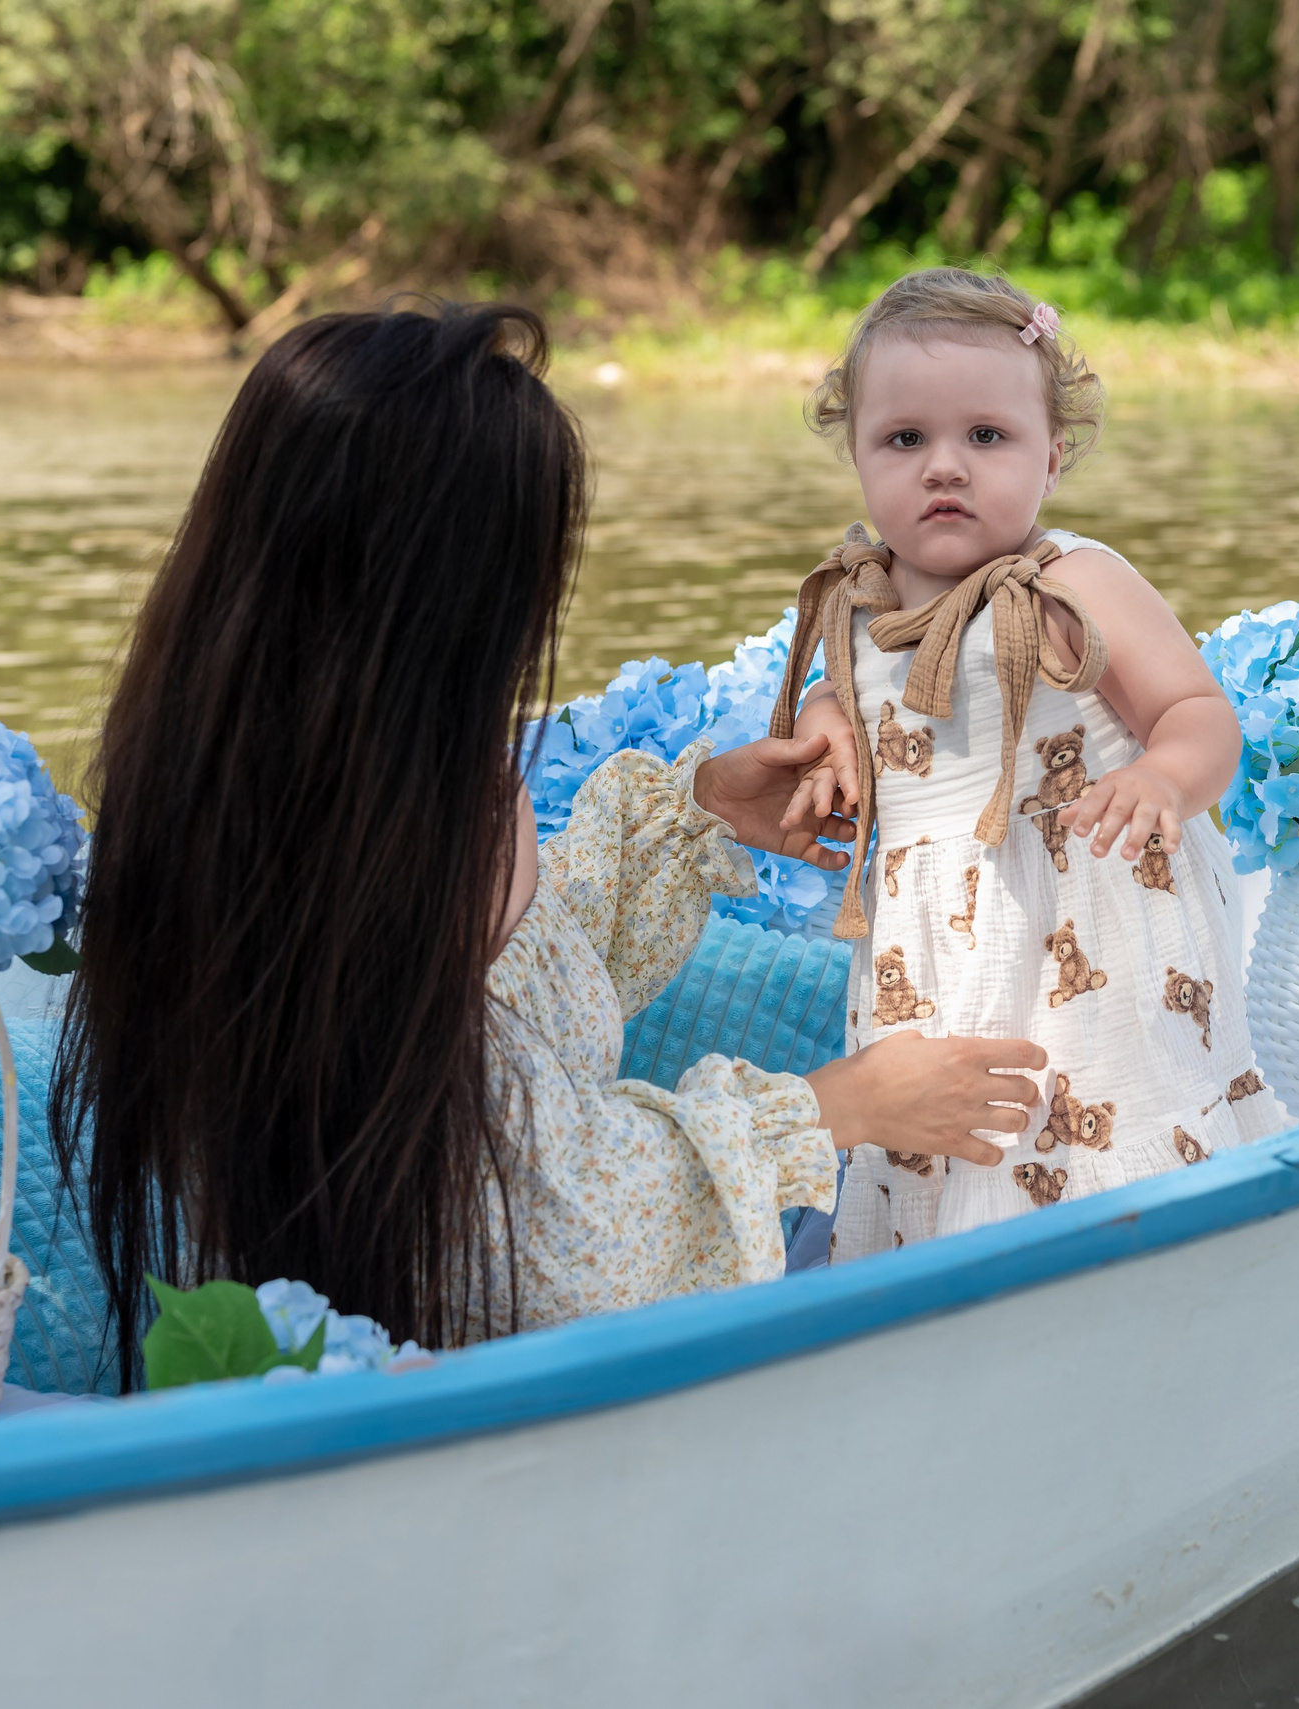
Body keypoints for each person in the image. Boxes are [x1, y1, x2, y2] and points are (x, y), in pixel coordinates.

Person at [51, 300, 1045, 1380]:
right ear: (439, 594)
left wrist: (698, 810)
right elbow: (560, 1242)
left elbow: (519, 1011)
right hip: (444, 1379)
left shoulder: (256, 768)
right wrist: (837, 1107)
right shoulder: (366, 838)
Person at [772, 266, 1288, 1259]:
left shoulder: (1073, 580)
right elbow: (856, 709)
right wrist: (821, 725)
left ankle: (1159, 1270)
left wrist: (1160, 778)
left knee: (1098, 1122)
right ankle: (949, 1301)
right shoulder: (859, 612)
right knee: (955, 1140)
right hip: (929, 953)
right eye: (905, 439)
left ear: (1051, 456)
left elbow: (1196, 713)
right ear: (857, 456)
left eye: (986, 437)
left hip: (1089, 918)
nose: (945, 466)